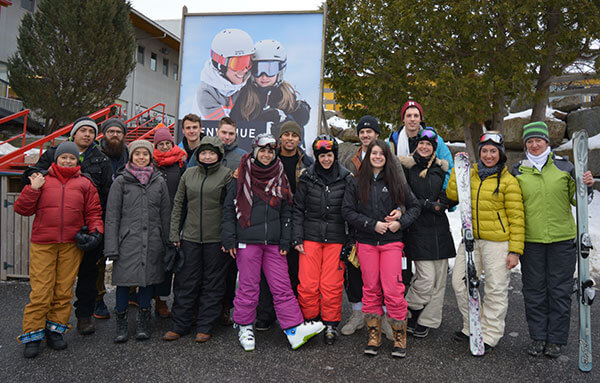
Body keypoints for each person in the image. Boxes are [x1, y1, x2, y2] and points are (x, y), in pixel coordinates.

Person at [221, 133, 324, 351]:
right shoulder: (241, 174)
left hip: (274, 242)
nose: (267, 155)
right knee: (248, 287)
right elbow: (229, 209)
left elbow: (287, 210)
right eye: (263, 150)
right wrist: (229, 238)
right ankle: (244, 326)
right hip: (247, 240)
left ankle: (293, 329)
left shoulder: (280, 174)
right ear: (255, 151)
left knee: (282, 287)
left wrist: (285, 241)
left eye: (270, 151)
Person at [21, 116, 112, 336]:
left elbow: (107, 195)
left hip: (86, 228)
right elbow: (33, 176)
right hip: (51, 234)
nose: (88, 135)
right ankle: (36, 329)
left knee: (86, 277)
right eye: (83, 131)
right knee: (47, 285)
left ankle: (82, 317)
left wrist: (98, 231)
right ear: (74, 133)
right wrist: (33, 182)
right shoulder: (53, 153)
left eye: (92, 131)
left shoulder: (101, 160)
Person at [511, 121, 594, 358]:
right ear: (525, 145)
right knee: (534, 291)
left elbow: (578, 201)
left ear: (547, 142)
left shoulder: (565, 167)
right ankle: (538, 337)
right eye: (530, 141)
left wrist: (586, 187)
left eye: (539, 140)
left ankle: (556, 339)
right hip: (532, 241)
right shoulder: (518, 170)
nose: (534, 145)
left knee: (559, 291)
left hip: (562, 240)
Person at [15, 141, 103, 358]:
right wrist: (32, 189)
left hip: (71, 245)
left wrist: (96, 232)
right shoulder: (42, 180)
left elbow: (93, 212)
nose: (67, 161)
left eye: (72, 158)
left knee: (63, 290)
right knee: (41, 291)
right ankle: (33, 334)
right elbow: (22, 209)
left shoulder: (85, 183)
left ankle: (55, 330)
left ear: (77, 160)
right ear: (56, 159)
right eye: (64, 157)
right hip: (44, 243)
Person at [446, 131, 524, 353]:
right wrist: (457, 171)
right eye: (484, 151)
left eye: (493, 151)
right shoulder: (469, 175)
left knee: (495, 288)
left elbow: (517, 218)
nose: (488, 155)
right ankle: (473, 325)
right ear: (479, 153)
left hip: (498, 243)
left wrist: (515, 250)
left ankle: (490, 334)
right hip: (471, 238)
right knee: (460, 283)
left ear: (500, 154)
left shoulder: (509, 182)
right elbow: (452, 193)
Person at [342, 139, 421, 358]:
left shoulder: (396, 181)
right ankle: (373, 336)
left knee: (393, 289)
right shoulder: (357, 182)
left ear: (387, 157)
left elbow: (414, 207)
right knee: (370, 289)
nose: (377, 156)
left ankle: (399, 338)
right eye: (374, 153)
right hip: (366, 242)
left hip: (391, 243)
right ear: (368, 157)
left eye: (381, 154)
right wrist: (371, 224)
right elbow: (347, 211)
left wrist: (400, 221)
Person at [162, 136, 233, 343]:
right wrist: (174, 234)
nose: (207, 156)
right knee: (185, 282)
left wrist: (228, 238)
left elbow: (230, 210)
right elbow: (178, 205)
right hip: (190, 238)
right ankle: (179, 325)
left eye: (212, 153)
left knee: (213, 284)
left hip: (215, 239)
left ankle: (205, 326)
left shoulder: (227, 176)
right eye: (203, 152)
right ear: (198, 154)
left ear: (219, 155)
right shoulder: (189, 174)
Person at [104, 140, 171, 343]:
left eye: (145, 154)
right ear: (131, 157)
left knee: (147, 282)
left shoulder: (159, 182)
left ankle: (143, 321)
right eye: (137, 154)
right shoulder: (121, 182)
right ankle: (121, 323)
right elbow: (112, 216)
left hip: (152, 240)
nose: (141, 157)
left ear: (150, 157)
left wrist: (168, 242)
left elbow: (165, 213)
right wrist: (111, 247)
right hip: (127, 241)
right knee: (124, 283)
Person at [292, 135, 354, 345]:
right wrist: (297, 236)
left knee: (331, 284)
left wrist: (350, 239)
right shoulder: (307, 177)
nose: (325, 160)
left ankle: (330, 323)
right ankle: (310, 320)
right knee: (308, 283)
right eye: (321, 156)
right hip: (310, 237)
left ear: (334, 156)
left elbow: (351, 210)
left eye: (328, 155)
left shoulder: (346, 178)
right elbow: (298, 209)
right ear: (316, 157)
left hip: (336, 238)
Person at [254, 120, 313, 331]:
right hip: (271, 218)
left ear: (299, 139)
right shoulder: (270, 157)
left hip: (297, 220)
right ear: (280, 137)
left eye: (294, 135)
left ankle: (293, 315)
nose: (289, 138)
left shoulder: (307, 162)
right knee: (267, 270)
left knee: (294, 270)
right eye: (286, 134)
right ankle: (265, 314)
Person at [398, 128, 456, 338]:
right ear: (416, 146)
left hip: (439, 228)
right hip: (417, 228)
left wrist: (446, 199)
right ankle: (405, 310)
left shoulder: (441, 170)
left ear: (434, 149)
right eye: (421, 144)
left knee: (439, 280)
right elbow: (405, 196)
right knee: (425, 278)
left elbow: (451, 193)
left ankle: (426, 320)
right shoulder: (406, 167)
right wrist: (429, 205)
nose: (424, 147)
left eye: (429, 145)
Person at [229, 39, 310, 129]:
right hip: (249, 142)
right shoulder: (244, 95)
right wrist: (259, 121)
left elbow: (297, 137)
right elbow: (233, 127)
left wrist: (295, 116)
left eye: (270, 70)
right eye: (258, 70)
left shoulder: (286, 97)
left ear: (280, 71)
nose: (264, 77)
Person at [93, 118, 129, 320]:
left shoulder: (130, 155)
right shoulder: (96, 155)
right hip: (100, 213)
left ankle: (130, 294)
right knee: (99, 260)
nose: (115, 135)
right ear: (104, 134)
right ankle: (98, 299)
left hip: (125, 215)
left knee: (127, 254)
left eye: (118, 132)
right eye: (111, 131)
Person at [214, 116, 247, 325]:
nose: (227, 137)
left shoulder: (243, 157)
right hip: (207, 220)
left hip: (233, 221)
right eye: (224, 133)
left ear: (236, 135)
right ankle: (207, 308)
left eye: (231, 134)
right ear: (218, 132)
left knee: (228, 270)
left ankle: (226, 308)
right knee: (210, 270)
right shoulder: (206, 151)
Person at [152, 125, 187, 318]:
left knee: (180, 262)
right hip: (157, 219)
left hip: (179, 217)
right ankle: (160, 300)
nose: (165, 147)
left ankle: (181, 302)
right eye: (161, 144)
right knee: (161, 262)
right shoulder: (151, 164)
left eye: (167, 143)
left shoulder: (181, 163)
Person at [387, 100, 453, 188]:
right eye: (408, 116)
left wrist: (443, 191)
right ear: (403, 119)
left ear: (420, 119)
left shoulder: (434, 138)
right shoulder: (393, 141)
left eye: (416, 116)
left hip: (430, 192)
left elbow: (449, 168)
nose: (412, 119)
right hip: (402, 192)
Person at [192, 28, 254, 120]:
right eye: (238, 64)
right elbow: (224, 130)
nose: (244, 70)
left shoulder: (245, 83)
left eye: (248, 62)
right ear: (221, 65)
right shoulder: (206, 94)